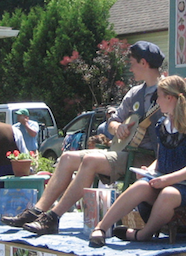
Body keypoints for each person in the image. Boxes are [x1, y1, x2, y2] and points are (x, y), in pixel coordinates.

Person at [1, 41, 165, 236]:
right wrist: (118, 128)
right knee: (66, 157)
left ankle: (53, 218)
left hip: (145, 159)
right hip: (122, 151)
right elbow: (112, 121)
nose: (130, 68)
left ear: (144, 63)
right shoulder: (135, 93)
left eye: (132, 63)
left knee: (90, 160)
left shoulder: (166, 92)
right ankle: (37, 211)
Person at [88, 75, 186, 247]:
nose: (157, 102)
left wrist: (167, 180)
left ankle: (144, 234)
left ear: (170, 98)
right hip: (163, 179)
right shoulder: (163, 124)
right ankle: (101, 228)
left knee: (168, 194)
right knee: (140, 186)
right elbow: (161, 157)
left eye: (159, 97)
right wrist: (150, 171)